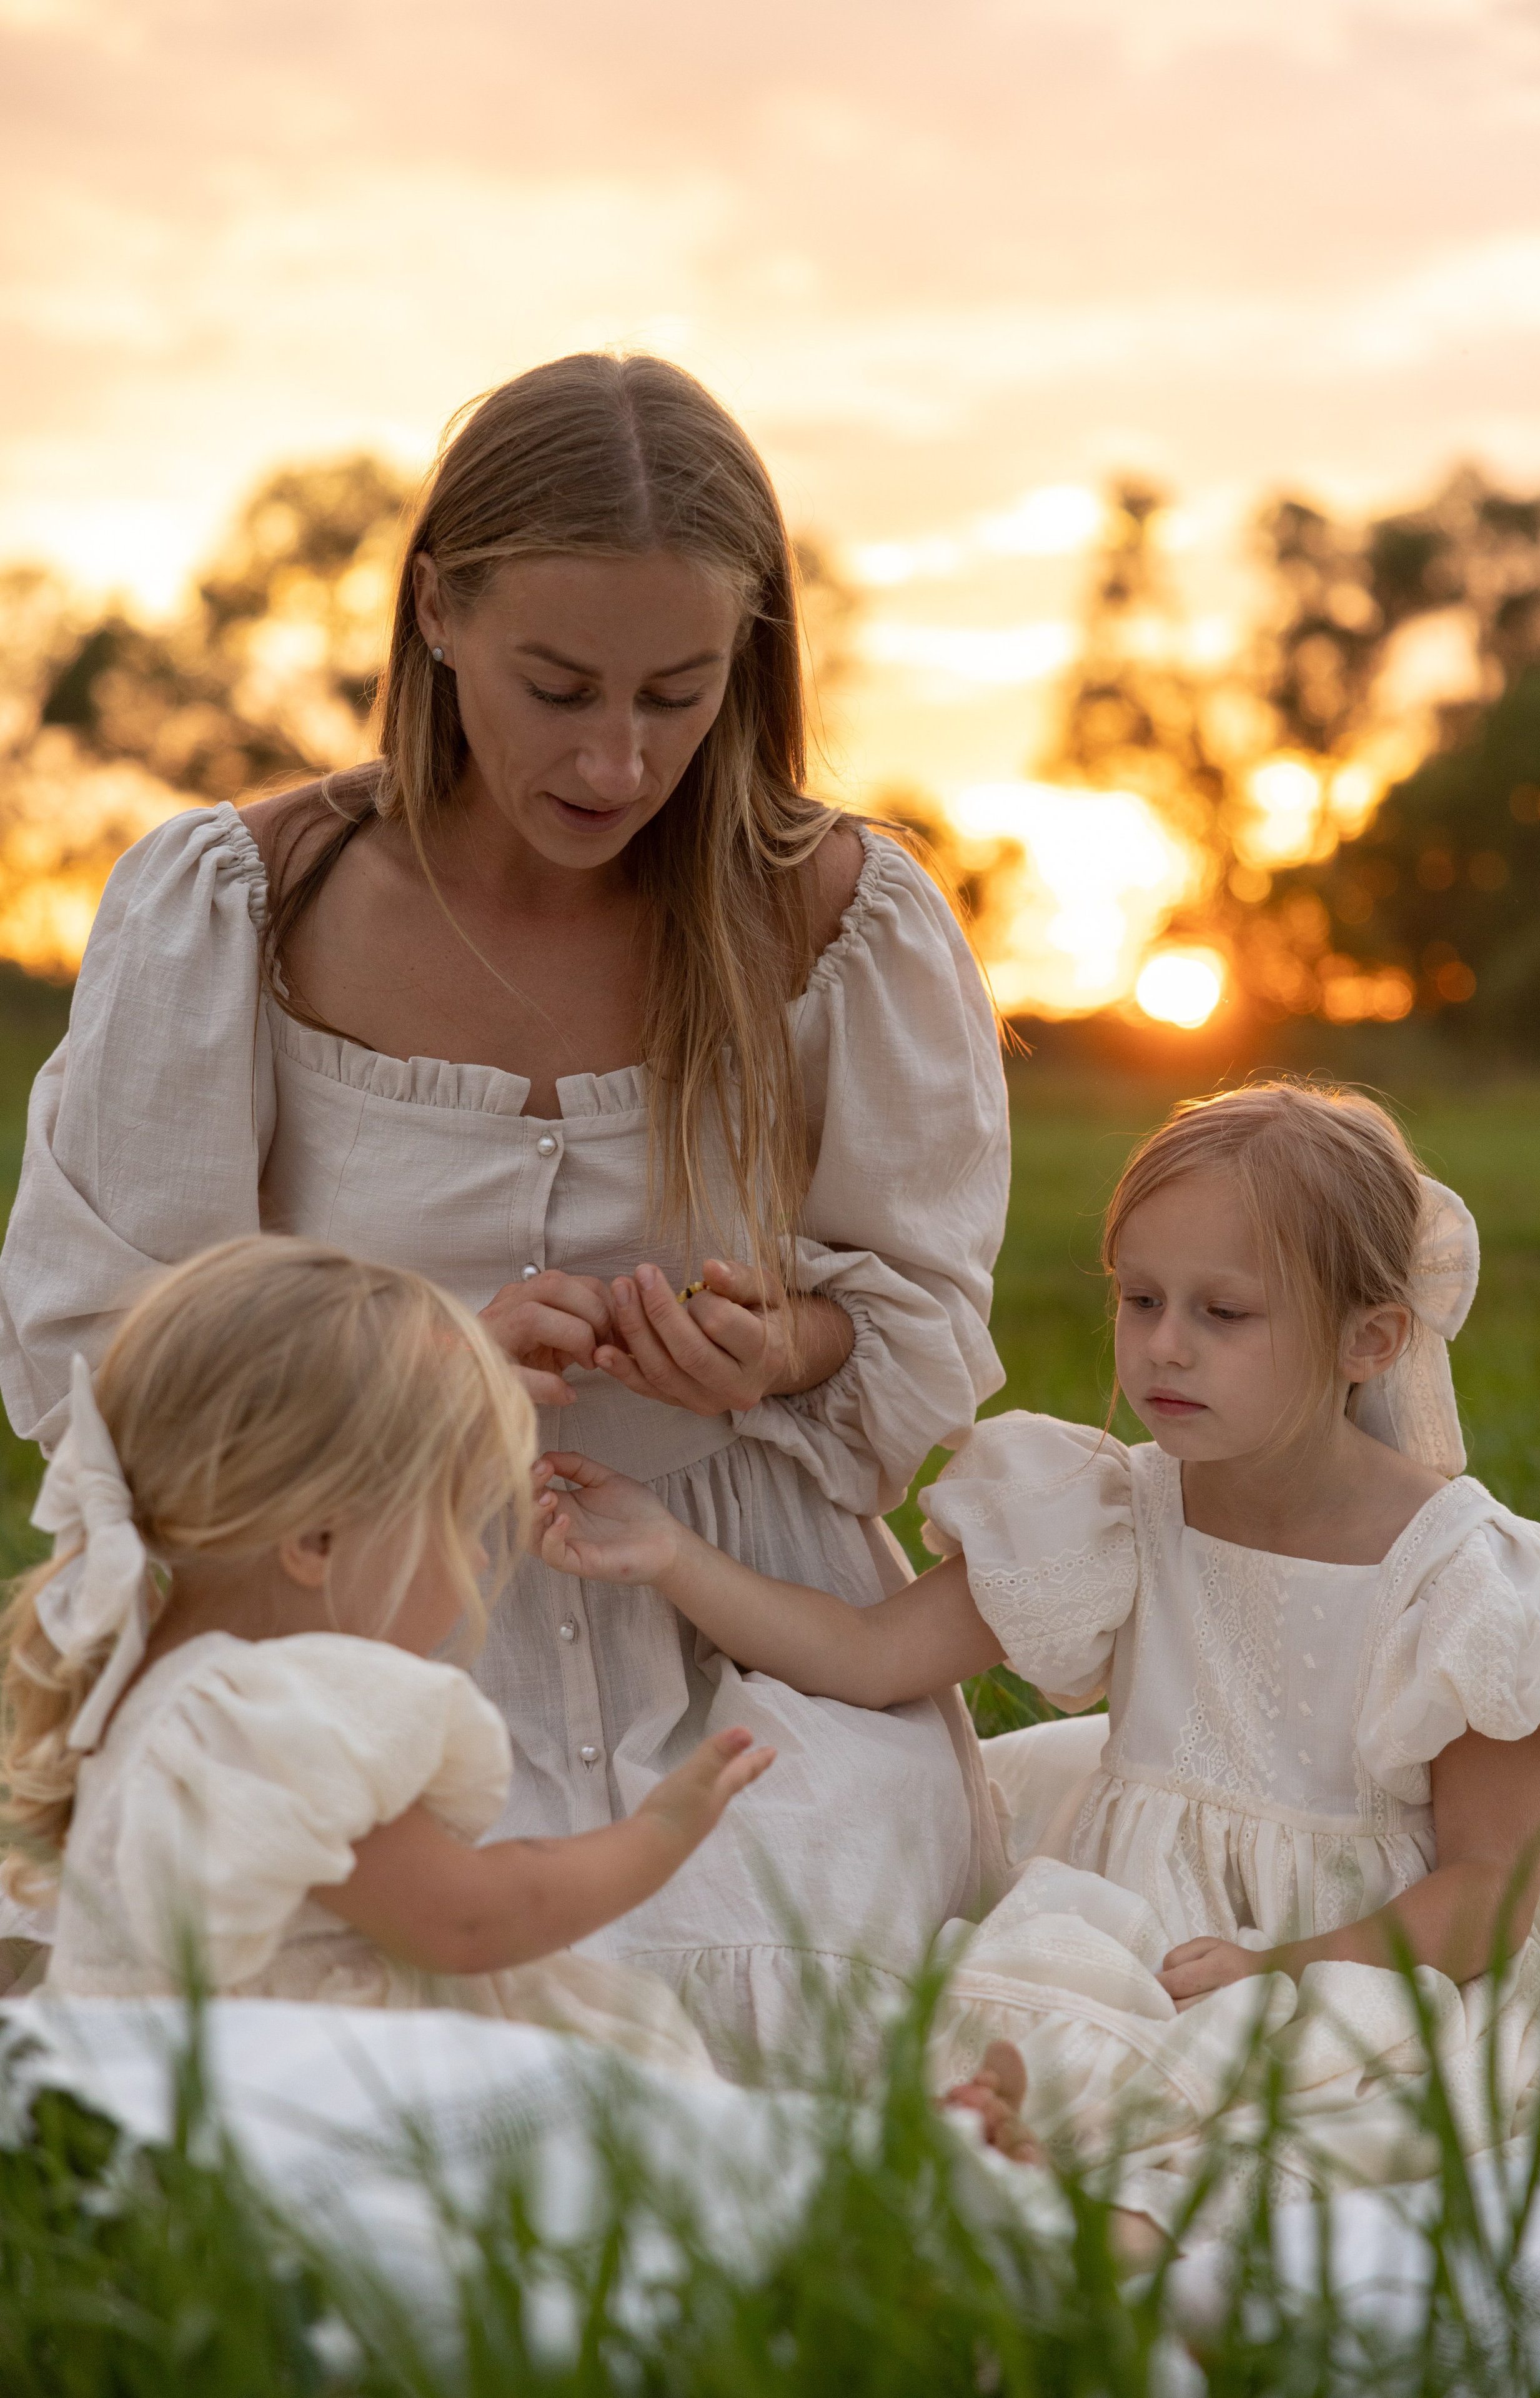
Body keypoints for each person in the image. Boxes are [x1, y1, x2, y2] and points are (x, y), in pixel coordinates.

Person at [0, 354, 1010, 2062]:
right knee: (357, 1982)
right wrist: (415, 1376)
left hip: (740, 1625)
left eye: (679, 695)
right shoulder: (246, 902)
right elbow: (103, 1360)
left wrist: (777, 1344)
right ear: (439, 617)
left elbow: (913, 1321)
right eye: (557, 686)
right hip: (357, 1609)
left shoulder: (841, 915)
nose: (619, 759)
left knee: (784, 1925)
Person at [530, 1079, 1540, 2227]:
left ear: (1369, 1338)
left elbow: (1491, 1884)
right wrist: (672, 1553)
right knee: (1029, 2022)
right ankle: (991, 2188)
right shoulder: (1112, 1509)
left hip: (1370, 1938)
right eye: (1141, 1299)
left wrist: (1289, 1962)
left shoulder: (1465, 1580)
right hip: (1130, 1909)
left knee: (1280, 2099)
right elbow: (867, 1652)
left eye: (1222, 1313)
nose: (1162, 1347)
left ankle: (1114, 2238)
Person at [0, 1234, 774, 2080]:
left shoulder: (151, 1689)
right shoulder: (279, 1712)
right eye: (454, 1513)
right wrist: (658, 1831)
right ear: (316, 1539)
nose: (479, 1560)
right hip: (304, 2111)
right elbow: (469, 1919)